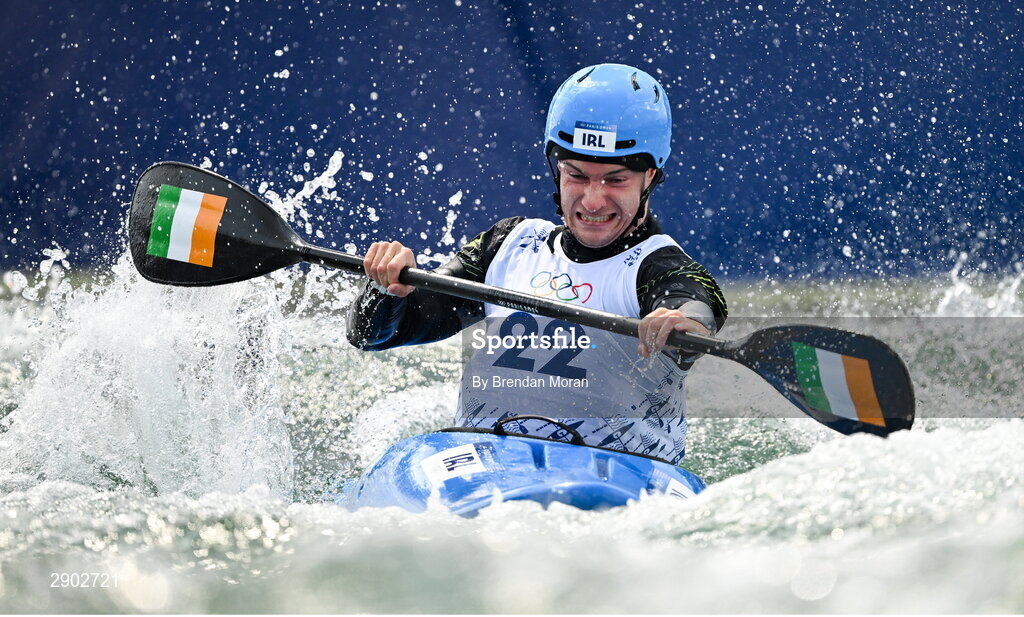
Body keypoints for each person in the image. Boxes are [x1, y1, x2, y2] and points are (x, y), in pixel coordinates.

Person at [347, 63, 726, 464]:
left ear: (649, 176)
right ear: (555, 168)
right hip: (488, 466)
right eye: (576, 175)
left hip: (617, 478)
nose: (593, 200)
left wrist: (685, 323)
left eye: (615, 180)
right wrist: (388, 287)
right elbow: (373, 336)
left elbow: (697, 303)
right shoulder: (506, 245)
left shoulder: (660, 267)